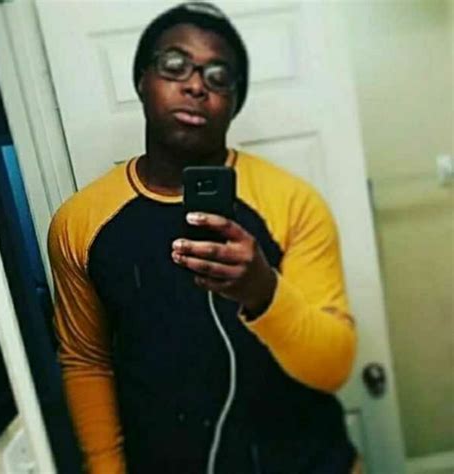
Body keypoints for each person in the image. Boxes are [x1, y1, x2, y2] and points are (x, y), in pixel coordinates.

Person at [48, 2, 360, 473]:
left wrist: (263, 292)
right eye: (174, 65)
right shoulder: (80, 222)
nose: (196, 85)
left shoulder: (293, 202)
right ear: (141, 80)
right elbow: (86, 361)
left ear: (234, 102)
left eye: (219, 76)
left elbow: (332, 367)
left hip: (309, 461)